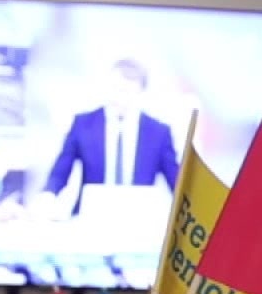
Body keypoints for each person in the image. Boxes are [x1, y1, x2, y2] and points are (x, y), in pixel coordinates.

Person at [43, 58, 181, 211]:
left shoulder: (158, 133)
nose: (117, 97)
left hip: (139, 216)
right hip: (91, 214)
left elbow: (176, 183)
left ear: (140, 92)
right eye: (114, 88)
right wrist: (47, 196)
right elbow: (60, 172)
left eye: (125, 91)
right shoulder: (84, 124)